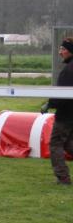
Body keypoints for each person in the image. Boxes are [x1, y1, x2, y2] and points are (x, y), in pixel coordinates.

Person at [42, 37, 73, 185]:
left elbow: (62, 94)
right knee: (68, 144)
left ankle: (63, 177)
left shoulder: (68, 70)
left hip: (66, 115)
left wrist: (49, 103)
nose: (60, 52)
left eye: (63, 49)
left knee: (55, 144)